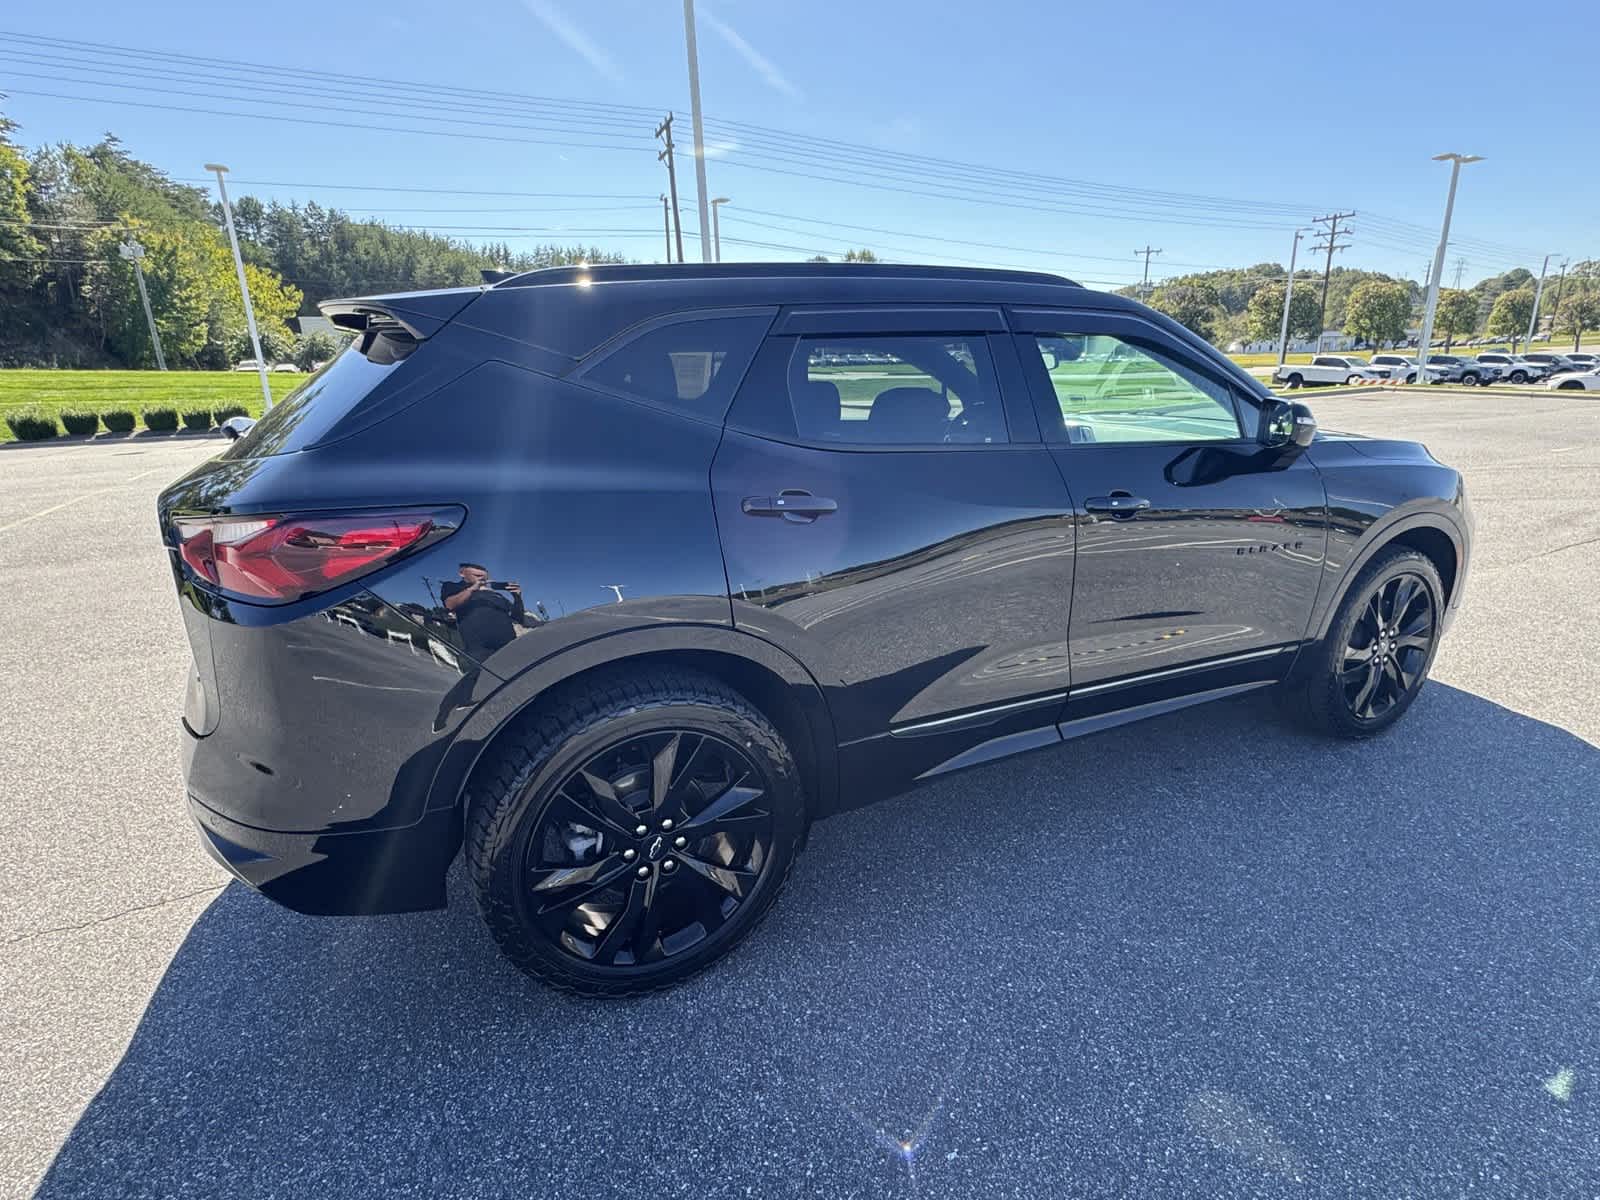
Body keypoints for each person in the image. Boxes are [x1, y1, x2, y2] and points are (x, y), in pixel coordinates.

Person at [433, 563, 525, 731]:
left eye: (485, 577)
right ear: (462, 573)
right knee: (470, 677)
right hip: (478, 644)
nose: (482, 579)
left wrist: (517, 597)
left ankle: (509, 715)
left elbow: (518, 617)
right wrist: (474, 588)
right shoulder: (454, 587)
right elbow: (451, 605)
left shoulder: (496, 595)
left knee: (510, 678)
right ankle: (441, 717)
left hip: (506, 643)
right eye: (477, 576)